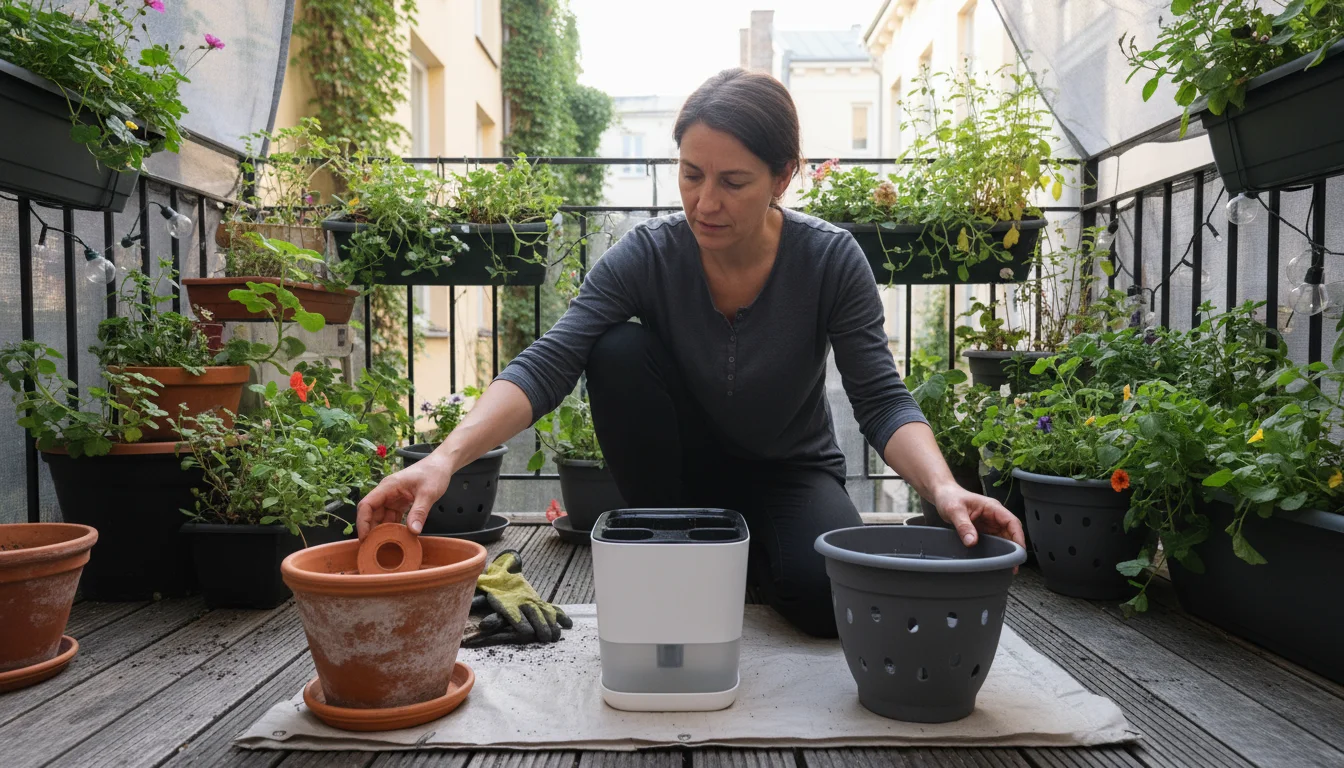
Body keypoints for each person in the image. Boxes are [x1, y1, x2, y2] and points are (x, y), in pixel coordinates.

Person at [357, 67, 1025, 639]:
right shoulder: (649, 253)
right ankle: (682, 538)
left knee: (827, 606)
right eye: (691, 174)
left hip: (792, 472)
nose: (705, 202)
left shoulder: (829, 260)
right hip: (678, 476)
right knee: (614, 348)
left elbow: (881, 399)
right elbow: (551, 359)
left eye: (733, 181)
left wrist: (943, 489)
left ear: (783, 178)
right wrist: (444, 460)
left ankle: (728, 553)